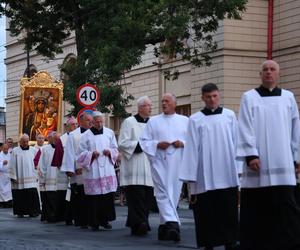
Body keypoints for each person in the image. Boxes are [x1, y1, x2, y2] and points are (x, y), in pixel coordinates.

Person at [237, 60, 300, 250]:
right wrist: (250, 155)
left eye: (272, 69)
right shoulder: (249, 97)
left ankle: (290, 241)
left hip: (283, 162)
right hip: (258, 162)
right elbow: (245, 126)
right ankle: (254, 242)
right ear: (260, 74)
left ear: (278, 74)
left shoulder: (288, 97)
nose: (269, 72)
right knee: (257, 205)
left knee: (286, 204)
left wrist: (297, 157)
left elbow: (295, 128)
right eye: (265, 69)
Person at [179, 83, 240, 250]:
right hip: (203, 175)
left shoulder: (229, 116)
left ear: (219, 96)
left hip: (227, 170)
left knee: (228, 210)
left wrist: (239, 169)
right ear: (202, 98)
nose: (212, 99)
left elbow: (237, 142)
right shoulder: (195, 119)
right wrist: (190, 178)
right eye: (208, 97)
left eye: (214, 96)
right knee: (206, 212)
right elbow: (191, 148)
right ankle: (208, 243)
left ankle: (230, 241)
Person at [140, 93, 188, 242]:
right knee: (162, 192)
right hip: (159, 162)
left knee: (173, 193)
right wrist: (157, 144)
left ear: (175, 103)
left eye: (167, 101)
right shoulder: (153, 121)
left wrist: (182, 143)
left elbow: (193, 141)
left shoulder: (185, 121)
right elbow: (143, 141)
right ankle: (174, 224)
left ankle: (164, 226)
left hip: (177, 162)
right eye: (162, 101)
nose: (164, 103)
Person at [76, 111, 119, 231]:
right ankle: (94, 222)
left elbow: (115, 149)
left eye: (101, 121)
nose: (99, 124)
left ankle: (105, 221)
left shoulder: (109, 133)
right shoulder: (86, 136)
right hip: (93, 171)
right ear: (92, 122)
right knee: (94, 198)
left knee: (106, 197)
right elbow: (79, 154)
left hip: (106, 169)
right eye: (97, 122)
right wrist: (91, 155)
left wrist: (110, 152)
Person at [118, 96, 154, 236]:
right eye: (147, 105)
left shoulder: (152, 123)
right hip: (134, 167)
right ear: (140, 108)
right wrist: (139, 146)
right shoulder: (129, 122)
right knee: (136, 198)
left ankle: (138, 223)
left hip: (149, 168)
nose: (150, 108)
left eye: (151, 105)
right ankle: (140, 223)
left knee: (146, 198)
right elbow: (122, 142)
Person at [60, 112, 92, 228]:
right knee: (80, 197)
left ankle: (93, 219)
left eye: (91, 120)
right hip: (78, 172)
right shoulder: (73, 135)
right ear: (81, 121)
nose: (90, 122)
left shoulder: (94, 133)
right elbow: (69, 153)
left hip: (92, 171)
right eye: (88, 120)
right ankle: (81, 220)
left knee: (92, 196)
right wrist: (70, 169)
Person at [8, 134, 40, 217]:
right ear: (20, 142)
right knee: (20, 196)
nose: (26, 143)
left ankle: (33, 212)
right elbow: (12, 164)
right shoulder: (15, 151)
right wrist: (13, 176)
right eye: (24, 141)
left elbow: (37, 163)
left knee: (32, 195)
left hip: (31, 177)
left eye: (27, 141)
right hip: (19, 178)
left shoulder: (33, 150)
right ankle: (20, 212)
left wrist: (37, 174)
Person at [56, 117, 77, 225]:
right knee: (66, 195)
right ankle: (67, 217)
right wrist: (65, 169)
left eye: (76, 124)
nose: (75, 126)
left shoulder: (79, 136)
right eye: (73, 124)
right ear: (67, 126)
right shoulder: (62, 139)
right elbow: (58, 157)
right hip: (65, 173)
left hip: (78, 171)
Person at [39, 131, 58, 222]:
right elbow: (41, 164)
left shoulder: (62, 148)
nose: (55, 140)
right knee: (49, 199)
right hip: (49, 177)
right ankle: (49, 216)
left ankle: (57, 216)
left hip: (59, 179)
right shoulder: (45, 149)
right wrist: (43, 177)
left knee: (57, 198)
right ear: (49, 139)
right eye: (53, 138)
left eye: (56, 138)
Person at [0, 143, 13, 208]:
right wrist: (2, 163)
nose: (6, 150)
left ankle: (8, 202)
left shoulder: (10, 155)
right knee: (2, 189)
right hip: (2, 175)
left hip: (8, 174)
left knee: (8, 190)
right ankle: (2, 203)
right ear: (2, 148)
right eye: (4, 149)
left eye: (7, 149)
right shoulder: (0, 155)